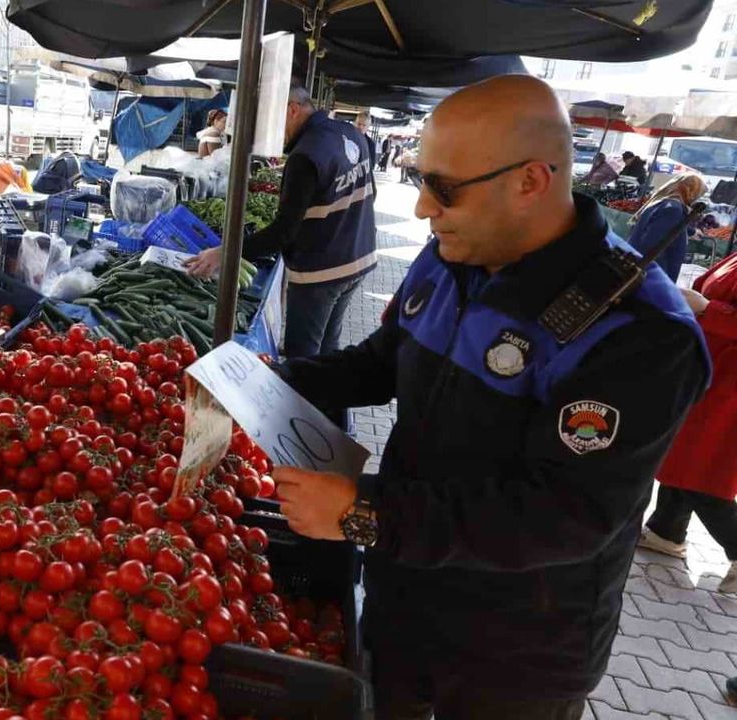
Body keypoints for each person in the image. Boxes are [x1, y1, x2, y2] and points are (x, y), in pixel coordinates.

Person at [270, 75, 709, 719]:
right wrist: (268, 379)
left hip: (516, 651)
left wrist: (364, 514)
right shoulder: (451, 256)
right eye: (421, 180)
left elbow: (564, 515)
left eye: (442, 188)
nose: (422, 208)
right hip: (405, 595)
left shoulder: (639, 333)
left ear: (530, 181)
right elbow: (379, 363)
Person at [185, 85, 377, 359]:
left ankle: (304, 400)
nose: (272, 131)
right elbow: (370, 194)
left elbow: (283, 233)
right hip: (359, 258)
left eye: (273, 120)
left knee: (304, 359)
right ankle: (330, 403)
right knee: (329, 351)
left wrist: (224, 253)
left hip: (321, 272)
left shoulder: (305, 155)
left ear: (292, 110)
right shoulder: (350, 133)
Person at [637, 249, 737, 594]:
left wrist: (708, 309)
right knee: (682, 456)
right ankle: (667, 531)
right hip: (712, 371)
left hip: (730, 387)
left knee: (703, 472)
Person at [625, 173, 706, 283]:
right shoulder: (673, 209)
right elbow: (652, 245)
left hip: (638, 271)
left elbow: (665, 227)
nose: (695, 199)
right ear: (690, 191)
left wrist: (691, 231)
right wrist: (661, 281)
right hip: (648, 278)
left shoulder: (664, 203)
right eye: (697, 195)